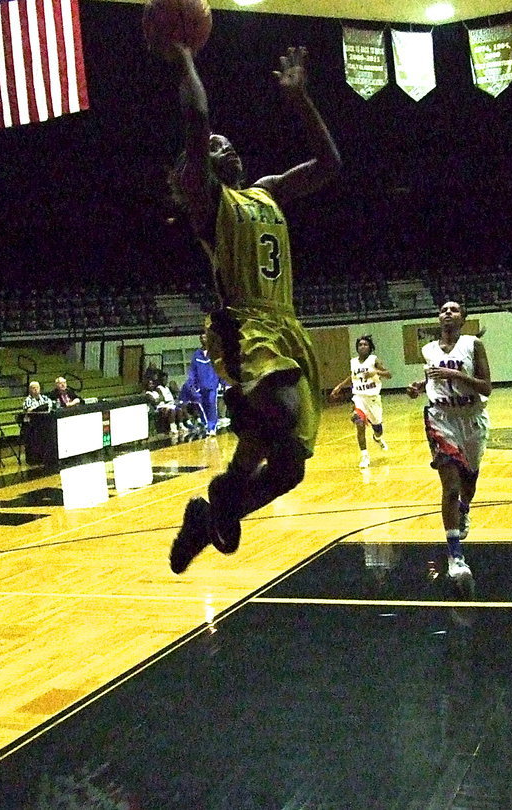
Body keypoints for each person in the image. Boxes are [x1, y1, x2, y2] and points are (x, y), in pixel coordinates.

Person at [167, 43, 341, 574]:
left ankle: (214, 508)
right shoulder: (209, 204)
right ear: (200, 167)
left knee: (290, 469)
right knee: (284, 412)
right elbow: (197, 122)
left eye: (230, 145)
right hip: (243, 325)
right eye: (218, 148)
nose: (228, 148)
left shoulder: (265, 192)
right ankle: (227, 487)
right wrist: (184, 56)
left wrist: (302, 101)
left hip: (286, 327)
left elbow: (330, 164)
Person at [405, 301, 491, 581]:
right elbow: (432, 377)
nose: (447, 313)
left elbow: (486, 386)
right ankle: (455, 557)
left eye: (454, 310)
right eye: (443, 310)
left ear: (463, 318)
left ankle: (465, 509)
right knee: (450, 487)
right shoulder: (428, 350)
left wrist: (456, 374)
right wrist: (420, 386)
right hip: (440, 419)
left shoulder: (472, 344)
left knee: (470, 481)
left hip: (472, 418)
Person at [330, 334, 392, 468]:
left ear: (370, 348)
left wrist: (375, 372)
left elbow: (389, 374)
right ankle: (365, 456)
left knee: (378, 428)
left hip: (373, 399)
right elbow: (352, 376)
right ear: (357, 348)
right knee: (359, 423)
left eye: (365, 344)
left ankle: (377, 438)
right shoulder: (353, 362)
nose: (363, 346)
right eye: (360, 345)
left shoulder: (373, 360)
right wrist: (340, 386)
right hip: (359, 398)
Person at [183, 333, 222, 435]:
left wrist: (223, 382)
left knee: (212, 405)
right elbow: (193, 371)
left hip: (212, 385)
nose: (203, 339)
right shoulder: (197, 354)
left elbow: (220, 367)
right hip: (201, 386)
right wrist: (191, 383)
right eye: (201, 338)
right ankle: (206, 425)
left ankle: (212, 427)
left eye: (205, 337)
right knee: (203, 406)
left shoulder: (214, 353)